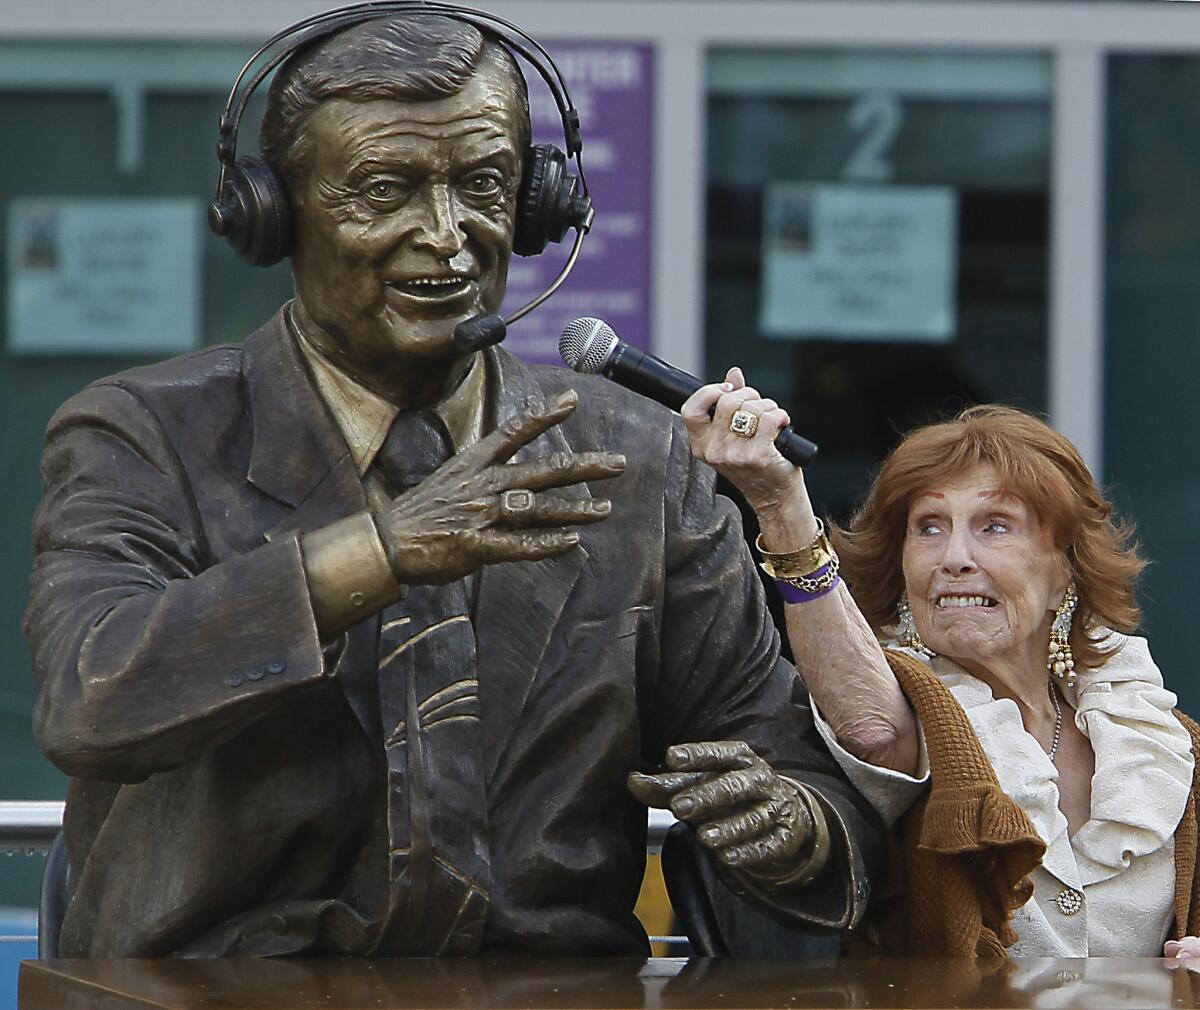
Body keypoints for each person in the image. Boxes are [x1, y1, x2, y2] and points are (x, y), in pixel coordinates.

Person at [23, 13, 882, 958]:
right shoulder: (145, 435)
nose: (448, 235)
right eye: (384, 190)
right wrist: (382, 553)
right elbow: (91, 693)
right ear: (276, 209)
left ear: (534, 202)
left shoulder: (636, 461)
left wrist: (791, 828)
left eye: (482, 187)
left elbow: (784, 756)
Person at [683, 368, 1200, 959]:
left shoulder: (1151, 731)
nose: (954, 558)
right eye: (929, 528)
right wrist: (780, 504)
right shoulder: (913, 704)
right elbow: (872, 730)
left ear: (1065, 574)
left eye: (995, 527)